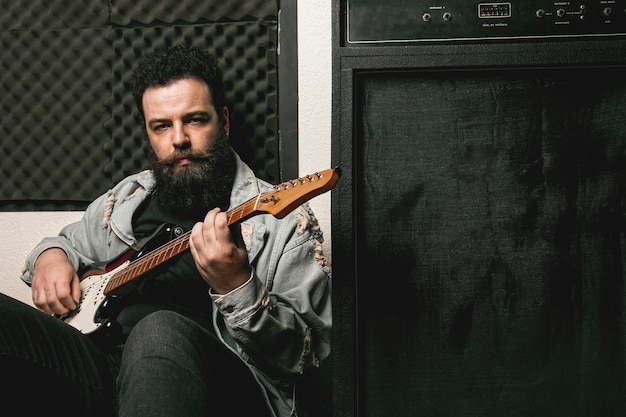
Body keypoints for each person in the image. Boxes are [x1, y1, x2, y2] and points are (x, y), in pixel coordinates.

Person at [0, 45, 332, 417]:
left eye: (194, 120)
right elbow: (65, 242)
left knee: (156, 329)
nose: (178, 139)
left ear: (223, 122)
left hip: (214, 384)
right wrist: (51, 256)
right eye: (162, 126)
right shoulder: (128, 198)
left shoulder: (282, 220)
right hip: (104, 365)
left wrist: (236, 284)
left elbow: (303, 359)